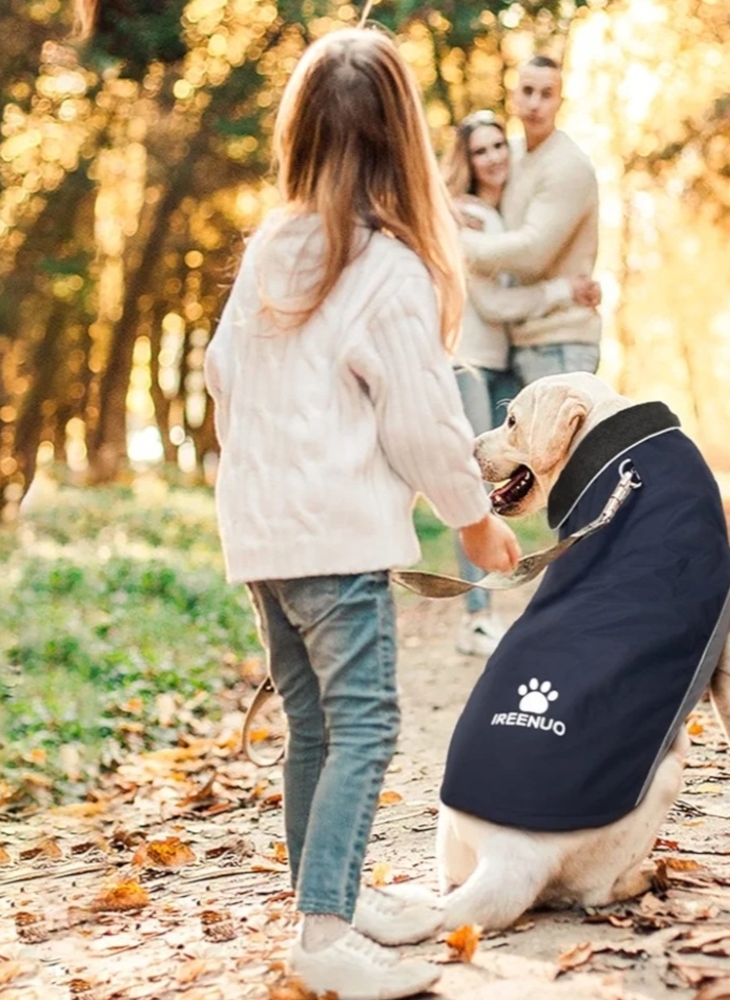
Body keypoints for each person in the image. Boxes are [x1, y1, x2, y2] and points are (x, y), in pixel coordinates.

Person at [203, 28, 520, 1000]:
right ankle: (324, 930)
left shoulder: (267, 249)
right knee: (366, 724)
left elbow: (223, 377)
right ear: (404, 141)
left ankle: (324, 890)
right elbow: (426, 426)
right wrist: (474, 522)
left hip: (261, 538)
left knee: (313, 724)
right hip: (332, 544)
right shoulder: (389, 269)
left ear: (298, 133)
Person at [441, 110, 600, 656]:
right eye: (481, 151)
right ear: (466, 160)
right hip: (469, 360)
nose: (493, 158)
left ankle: (563, 601)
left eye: (498, 146)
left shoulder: (502, 213)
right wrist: (564, 291)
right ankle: (478, 614)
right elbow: (493, 301)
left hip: (503, 355)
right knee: (470, 481)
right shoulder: (466, 216)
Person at [458, 55, 602, 386]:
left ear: (560, 101)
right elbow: (473, 186)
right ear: (514, 96)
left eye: (546, 94)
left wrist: (459, 243)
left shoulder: (568, 165)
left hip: (561, 342)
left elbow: (532, 252)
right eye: (527, 91)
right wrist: (450, 207)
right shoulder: (512, 153)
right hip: (519, 341)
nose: (535, 103)